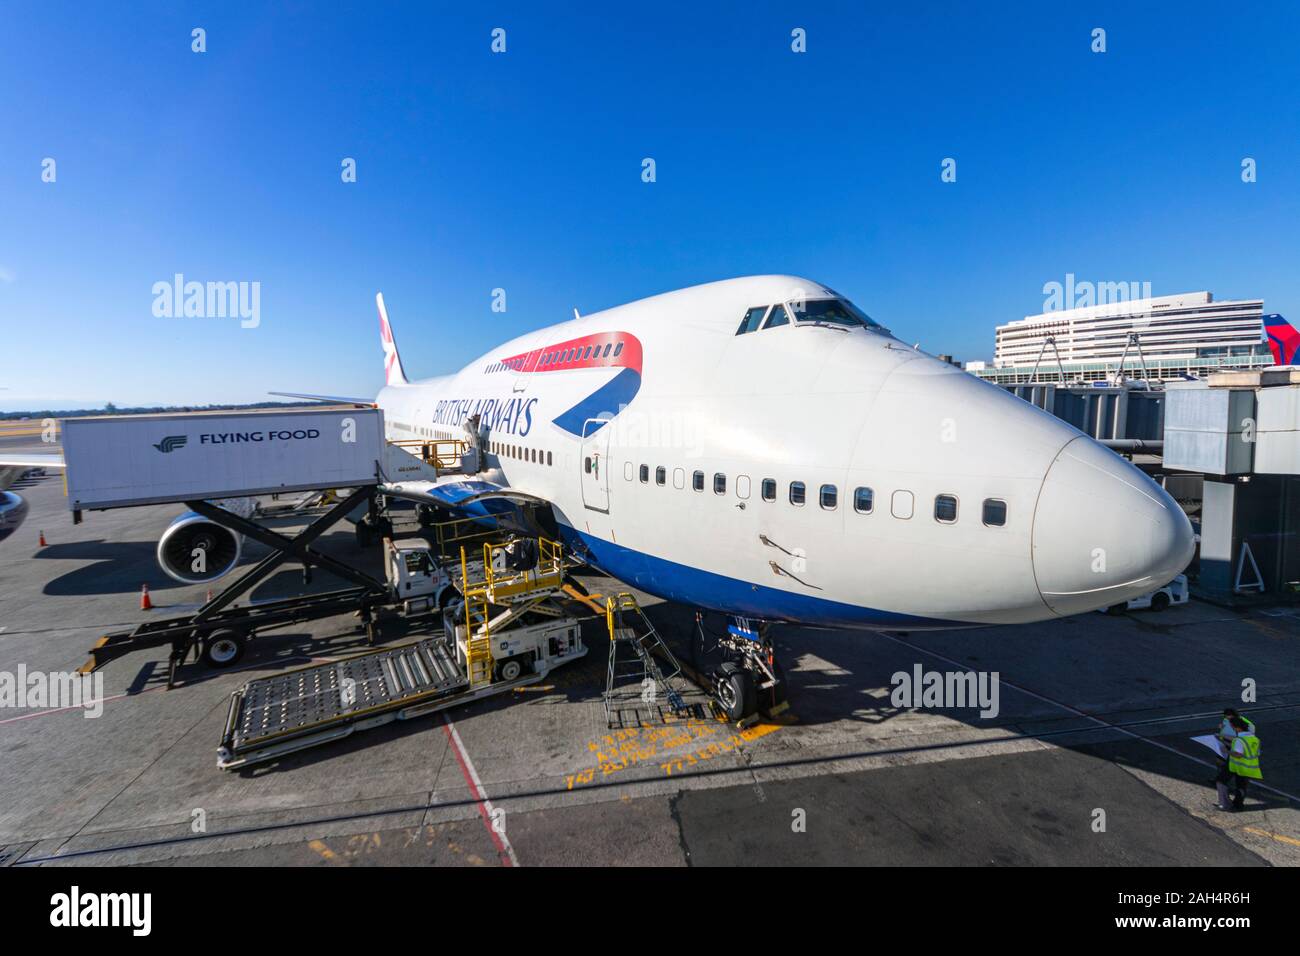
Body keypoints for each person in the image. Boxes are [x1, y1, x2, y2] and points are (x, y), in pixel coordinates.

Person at [1214, 715, 1262, 811]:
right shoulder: (1254, 739)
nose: (1232, 729)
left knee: (1221, 781)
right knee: (1241, 786)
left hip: (1235, 765)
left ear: (1237, 728)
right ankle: (1238, 805)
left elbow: (1238, 754)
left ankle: (1225, 804)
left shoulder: (1239, 740)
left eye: (1233, 727)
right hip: (1249, 766)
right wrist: (1222, 737)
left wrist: (1226, 751)